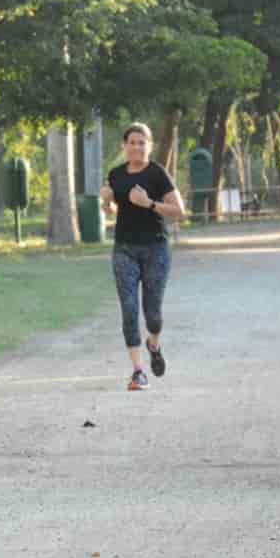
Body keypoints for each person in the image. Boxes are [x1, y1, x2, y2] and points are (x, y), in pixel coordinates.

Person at [98, 122, 185, 392]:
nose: (137, 147)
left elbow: (178, 211)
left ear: (149, 146)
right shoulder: (116, 174)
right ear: (124, 146)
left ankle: (153, 344)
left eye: (142, 142)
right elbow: (114, 209)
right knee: (129, 309)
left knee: (153, 315)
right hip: (124, 249)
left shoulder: (157, 174)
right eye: (132, 142)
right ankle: (138, 371)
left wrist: (148, 203)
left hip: (155, 249)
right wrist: (106, 201)